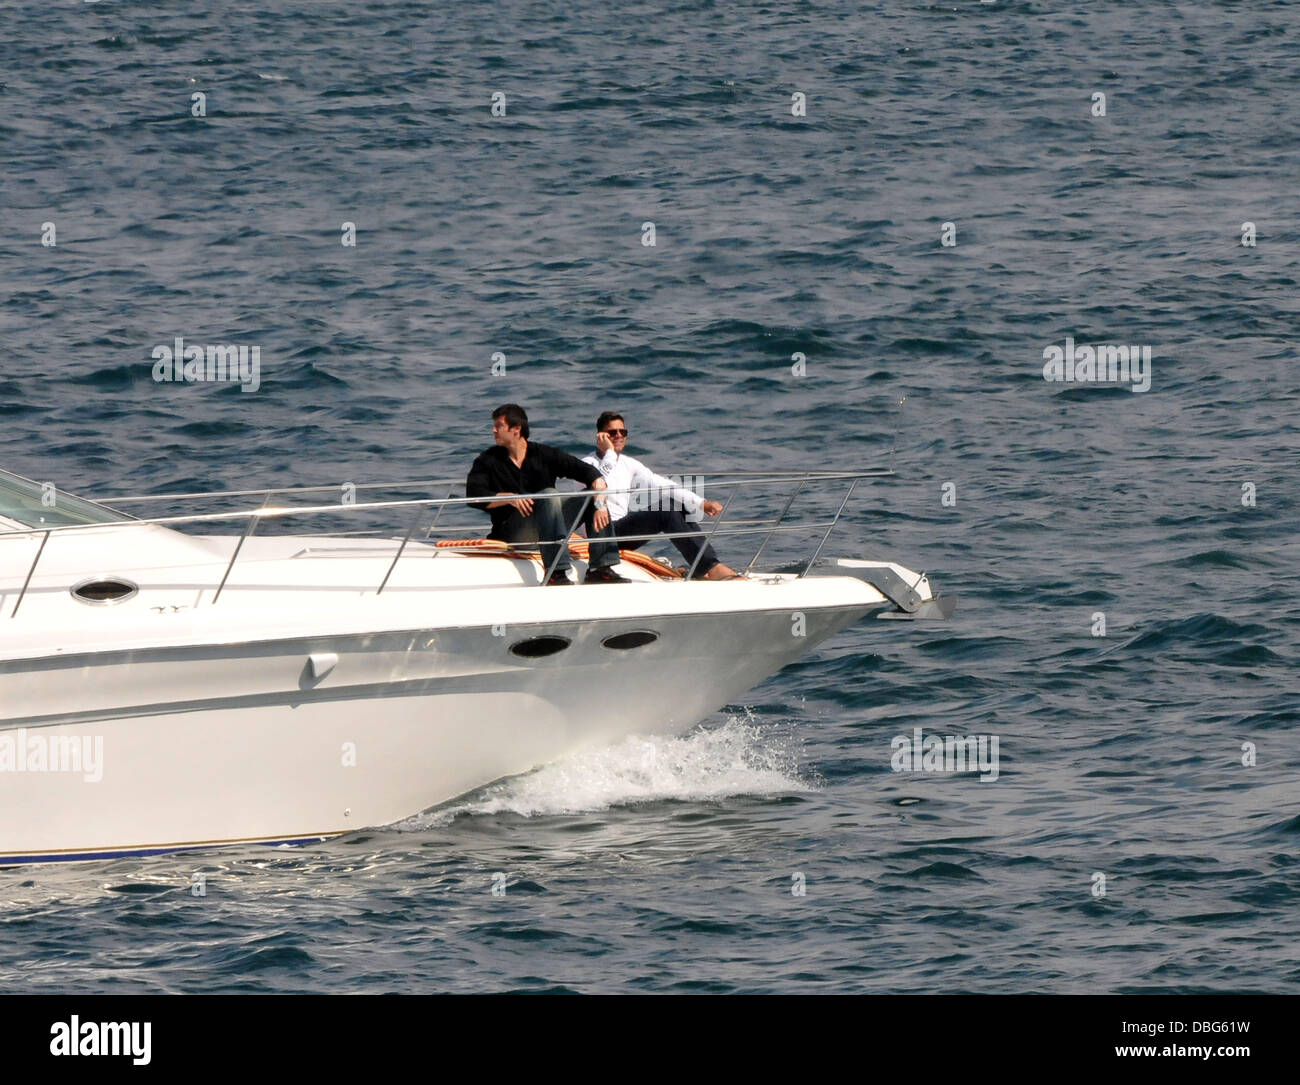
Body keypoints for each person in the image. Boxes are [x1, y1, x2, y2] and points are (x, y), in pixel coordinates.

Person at [466, 404, 630, 584]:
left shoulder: (543, 454)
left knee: (590, 495)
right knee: (549, 494)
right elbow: (474, 496)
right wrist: (510, 498)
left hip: (550, 528)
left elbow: (590, 473)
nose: (493, 430)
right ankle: (556, 573)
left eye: (498, 426)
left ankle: (600, 568)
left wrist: (600, 504)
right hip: (513, 533)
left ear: (516, 429)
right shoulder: (487, 460)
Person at [581, 411, 742, 580]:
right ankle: (710, 567)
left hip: (619, 531)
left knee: (675, 504)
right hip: (599, 534)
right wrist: (610, 454)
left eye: (623, 432)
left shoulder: (628, 464)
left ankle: (706, 565)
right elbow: (599, 485)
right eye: (613, 433)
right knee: (664, 511)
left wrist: (701, 503)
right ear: (601, 436)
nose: (619, 436)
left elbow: (664, 485)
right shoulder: (587, 464)